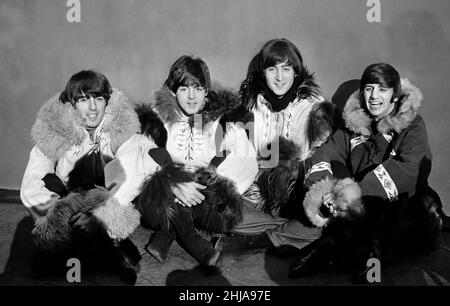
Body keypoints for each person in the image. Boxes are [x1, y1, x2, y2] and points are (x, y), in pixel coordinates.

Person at [289, 63, 445, 282]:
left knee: (414, 216)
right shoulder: (351, 127)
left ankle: (363, 254)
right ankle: (329, 251)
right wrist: (323, 191)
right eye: (369, 88)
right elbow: (325, 154)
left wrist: (352, 196)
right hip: (359, 207)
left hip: (406, 201)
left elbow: (409, 168)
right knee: (349, 220)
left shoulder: (412, 125)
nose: (374, 96)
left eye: (382, 89)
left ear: (395, 95)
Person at [20, 70, 155, 284]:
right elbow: (32, 180)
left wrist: (99, 216)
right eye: (84, 99)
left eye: (98, 99)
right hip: (67, 203)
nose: (92, 108)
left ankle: (101, 249)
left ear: (107, 102)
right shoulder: (55, 131)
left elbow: (130, 174)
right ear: (72, 103)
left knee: (111, 272)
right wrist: (61, 216)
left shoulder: (121, 130)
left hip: (103, 203)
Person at [214, 38, 341, 255]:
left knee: (324, 218)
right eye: (272, 69)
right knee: (217, 208)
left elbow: (323, 161)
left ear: (296, 72)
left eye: (286, 68)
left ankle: (263, 239)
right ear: (263, 72)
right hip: (260, 192)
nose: (280, 77)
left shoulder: (315, 110)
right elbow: (242, 150)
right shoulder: (254, 106)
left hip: (299, 191)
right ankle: (283, 231)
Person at [136, 55, 258, 266]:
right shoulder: (158, 120)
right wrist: (172, 182)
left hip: (203, 196)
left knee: (220, 202)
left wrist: (210, 183)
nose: (192, 96)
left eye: (198, 88)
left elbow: (245, 157)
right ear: (173, 91)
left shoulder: (220, 121)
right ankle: (195, 244)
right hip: (164, 194)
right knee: (158, 178)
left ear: (206, 92)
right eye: (184, 89)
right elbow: (140, 156)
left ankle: (166, 235)